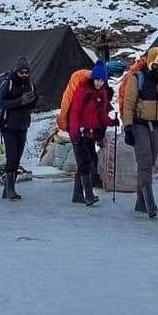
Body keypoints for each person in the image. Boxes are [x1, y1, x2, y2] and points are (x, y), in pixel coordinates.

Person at [122, 48, 158, 219]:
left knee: (150, 164)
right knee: (144, 162)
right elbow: (128, 104)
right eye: (157, 64)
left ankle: (140, 203)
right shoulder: (137, 78)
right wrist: (128, 127)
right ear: (151, 62)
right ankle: (150, 203)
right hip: (140, 125)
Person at [66, 60, 113, 207]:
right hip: (78, 133)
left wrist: (111, 122)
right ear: (93, 78)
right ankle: (89, 196)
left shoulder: (102, 93)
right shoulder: (82, 91)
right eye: (97, 80)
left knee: (88, 161)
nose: (99, 83)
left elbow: (101, 114)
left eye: (102, 81)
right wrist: (75, 132)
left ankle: (78, 195)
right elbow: (75, 113)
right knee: (84, 163)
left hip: (90, 133)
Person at [0, 57, 38, 202]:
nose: (24, 75)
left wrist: (33, 100)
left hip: (22, 125)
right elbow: (0, 102)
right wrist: (20, 101)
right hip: (8, 125)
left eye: (26, 72)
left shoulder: (30, 83)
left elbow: (33, 103)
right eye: (21, 72)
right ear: (16, 71)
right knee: (11, 157)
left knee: (17, 159)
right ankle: (10, 190)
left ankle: (7, 189)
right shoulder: (8, 83)